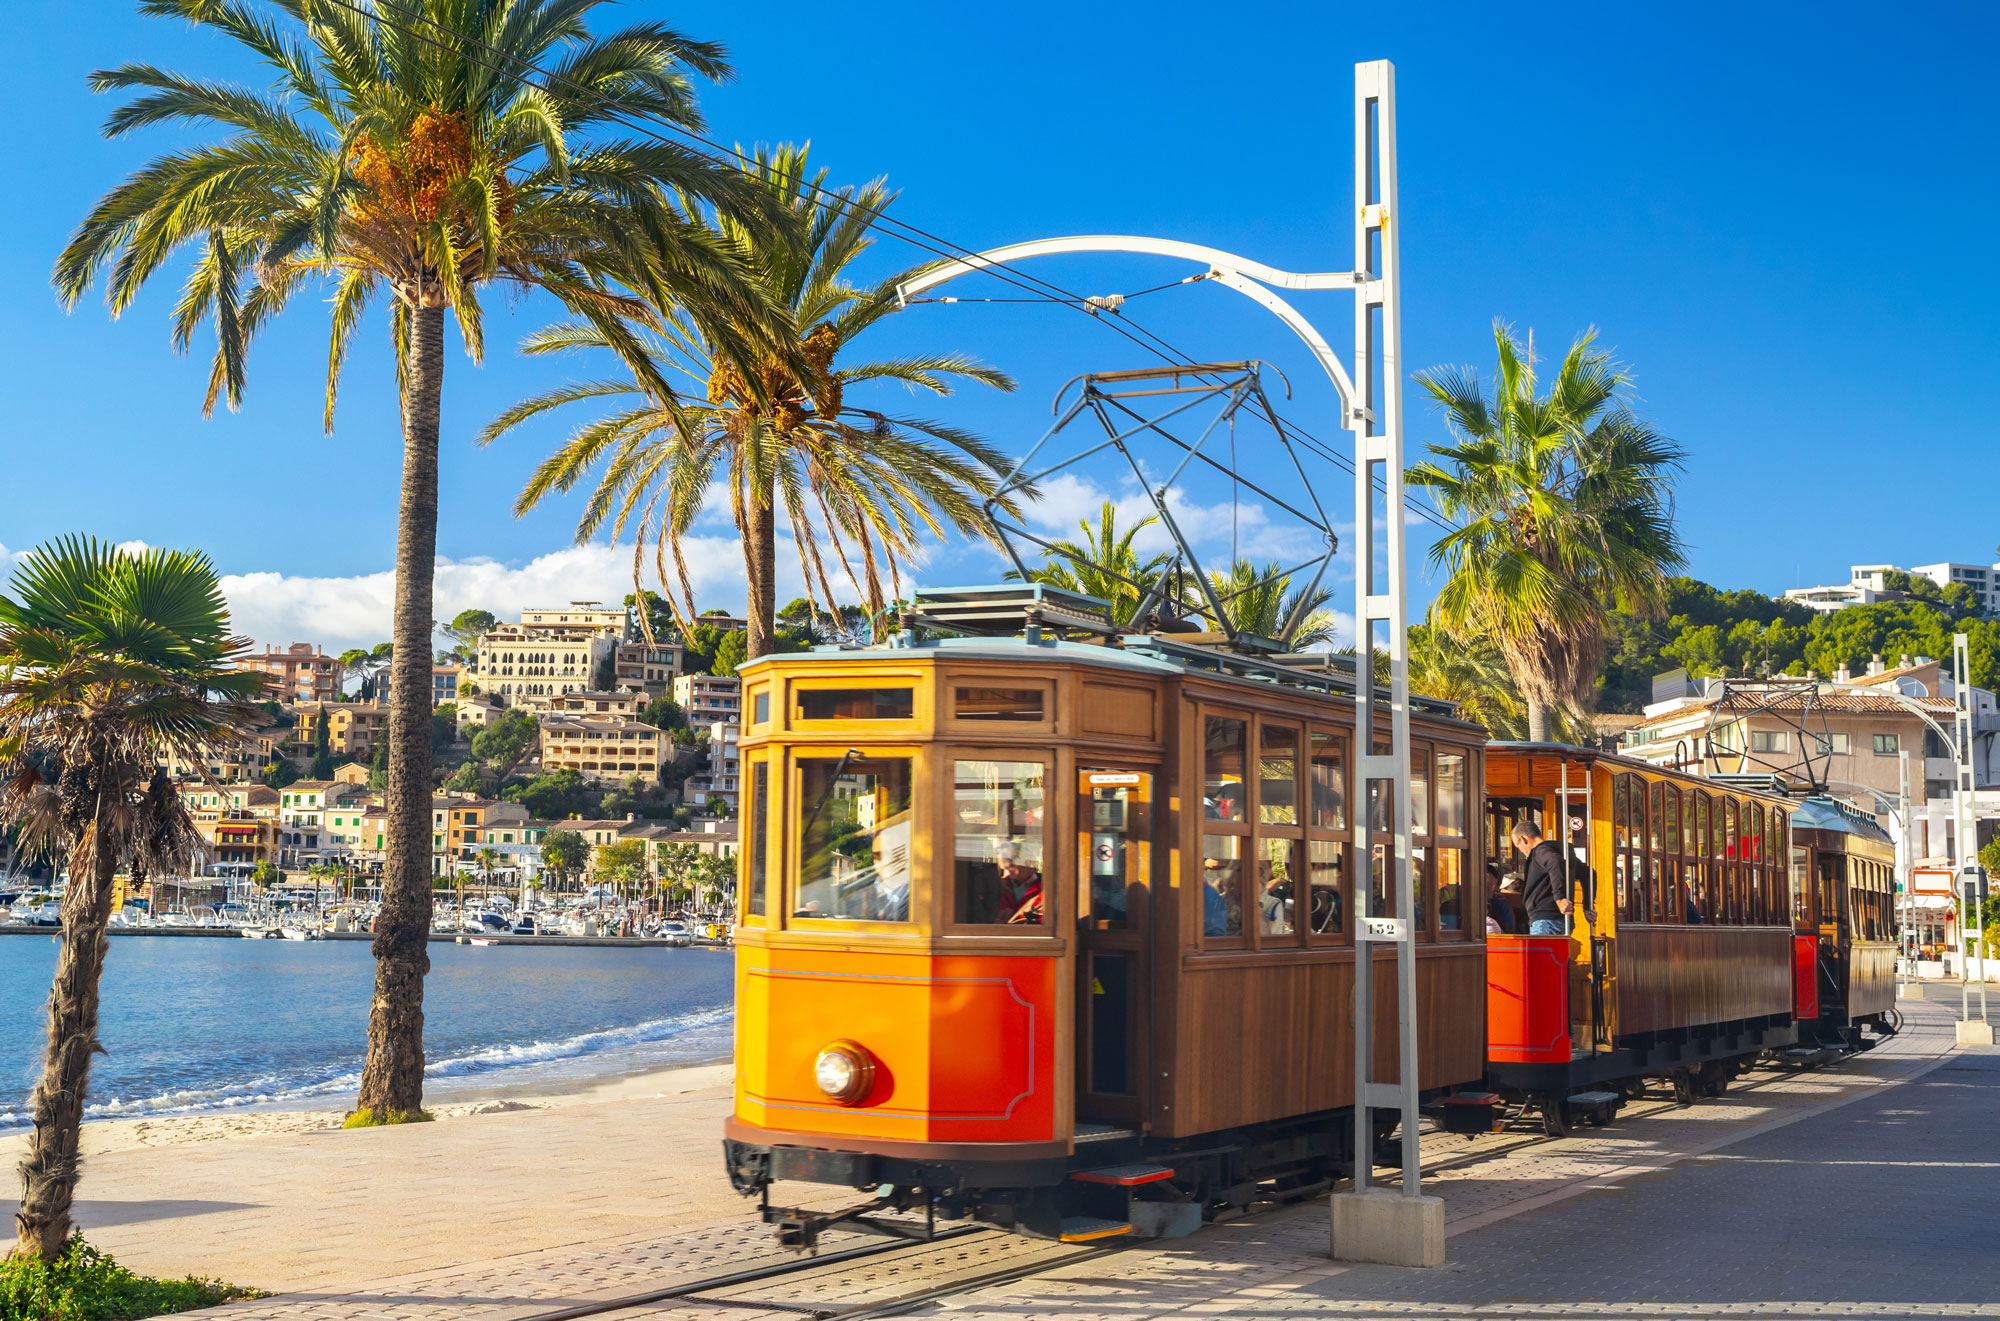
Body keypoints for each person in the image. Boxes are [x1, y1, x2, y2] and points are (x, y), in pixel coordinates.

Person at [1511, 819, 1573, 937]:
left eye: (1518, 846)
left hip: (1545, 921)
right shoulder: (1557, 851)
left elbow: (1554, 861)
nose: (1522, 852)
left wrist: (1559, 898)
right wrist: (1587, 906)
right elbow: (1588, 873)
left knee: (1540, 955)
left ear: (1523, 839)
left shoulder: (1540, 851)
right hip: (1555, 920)